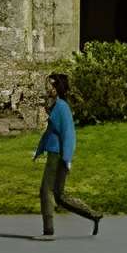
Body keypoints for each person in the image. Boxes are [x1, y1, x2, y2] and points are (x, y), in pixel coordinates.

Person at [34, 71, 101, 239]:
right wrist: (39, 150)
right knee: (60, 195)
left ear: (57, 88)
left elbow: (68, 133)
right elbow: (49, 132)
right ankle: (93, 215)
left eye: (50, 84)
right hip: (56, 153)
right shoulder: (57, 106)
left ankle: (48, 231)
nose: (47, 87)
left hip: (58, 154)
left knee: (45, 190)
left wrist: (67, 159)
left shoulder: (62, 107)